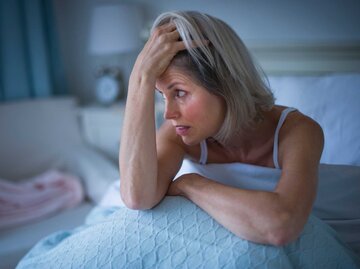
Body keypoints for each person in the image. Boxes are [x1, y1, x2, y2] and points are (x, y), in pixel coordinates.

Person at [119, 11, 324, 246]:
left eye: (180, 93)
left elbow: (280, 226)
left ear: (225, 85)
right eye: (162, 95)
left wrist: (191, 183)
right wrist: (140, 77)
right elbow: (137, 197)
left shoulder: (298, 131)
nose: (168, 114)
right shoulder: (177, 133)